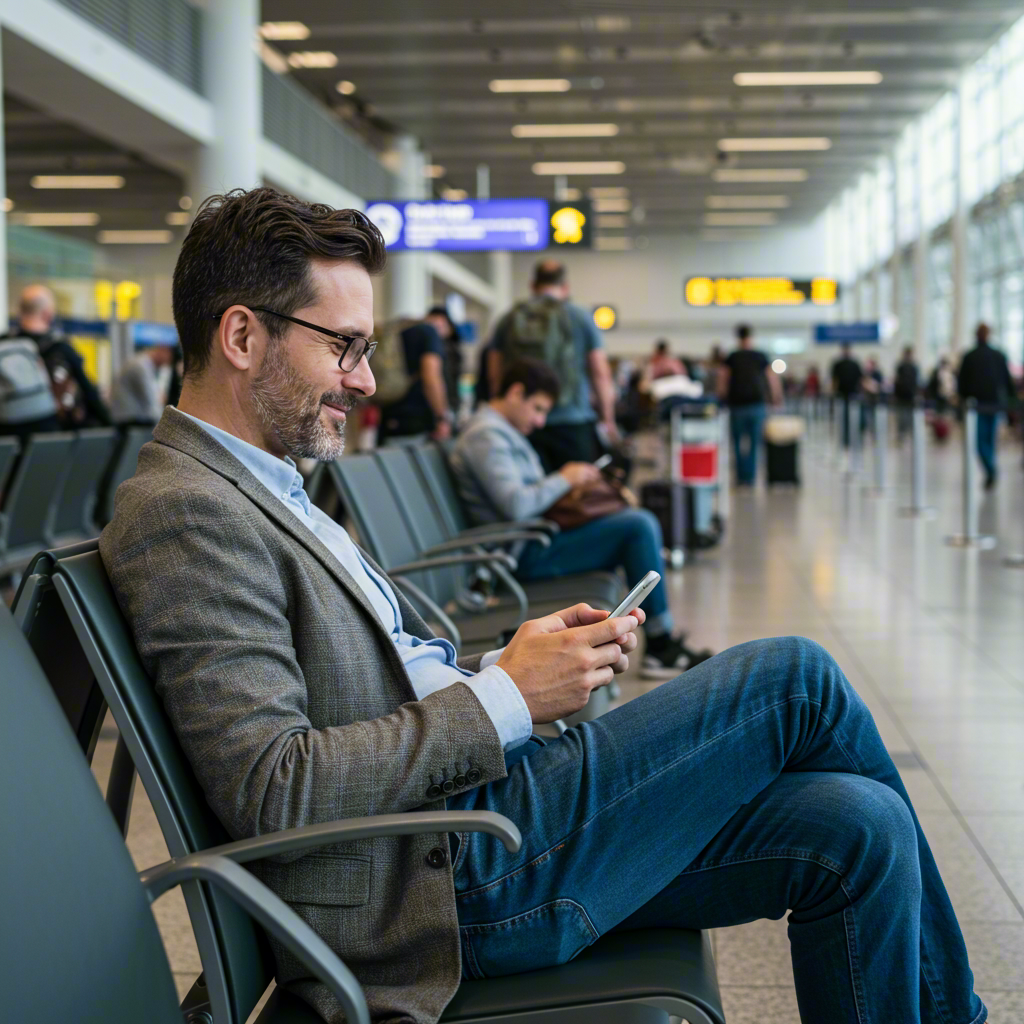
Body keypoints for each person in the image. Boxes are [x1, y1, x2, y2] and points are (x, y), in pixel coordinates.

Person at [100, 187, 986, 1024]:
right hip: (445, 873)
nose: (366, 381)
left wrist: (503, 667)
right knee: (796, 678)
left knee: (859, 828)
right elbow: (273, 787)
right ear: (243, 337)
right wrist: (506, 699)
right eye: (346, 347)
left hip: (472, 814)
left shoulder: (267, 483)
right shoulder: (186, 509)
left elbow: (367, 681)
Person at [451, 358, 711, 679]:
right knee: (638, 526)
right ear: (516, 392)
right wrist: (566, 478)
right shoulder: (486, 436)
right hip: (519, 555)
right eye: (537, 408)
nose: (540, 420)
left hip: (535, 538)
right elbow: (516, 504)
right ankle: (660, 644)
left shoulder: (501, 432)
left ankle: (659, 639)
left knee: (633, 523)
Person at [489, 260, 617, 470]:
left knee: (535, 489)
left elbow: (495, 375)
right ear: (565, 287)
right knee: (577, 494)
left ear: (532, 285)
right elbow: (600, 372)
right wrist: (607, 418)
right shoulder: (580, 317)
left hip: (521, 424)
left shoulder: (509, 318)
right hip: (572, 422)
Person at [3, 284, 111, 428]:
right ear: (48, 313)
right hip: (48, 426)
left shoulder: (4, 343)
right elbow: (88, 390)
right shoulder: (60, 347)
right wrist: (109, 424)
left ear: (20, 310)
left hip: (6, 426)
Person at [377, 307, 455, 444]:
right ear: (443, 322)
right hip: (415, 423)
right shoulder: (429, 332)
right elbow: (431, 376)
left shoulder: (403, 329)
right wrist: (442, 417)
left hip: (389, 415)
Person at [718, 324, 781, 486]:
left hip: (737, 405)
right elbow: (772, 378)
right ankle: (750, 477)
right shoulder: (760, 356)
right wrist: (776, 397)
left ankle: (741, 478)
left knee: (738, 442)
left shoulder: (732, 357)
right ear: (751, 337)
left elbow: (723, 379)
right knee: (754, 443)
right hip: (756, 404)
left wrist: (722, 398)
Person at [958, 322, 1015, 489]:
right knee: (988, 439)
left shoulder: (970, 356)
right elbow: (1007, 380)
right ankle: (991, 468)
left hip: (979, 405)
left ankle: (990, 469)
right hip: (993, 404)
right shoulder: (998, 355)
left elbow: (962, 384)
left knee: (981, 440)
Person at [109, 343, 176, 425]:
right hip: (129, 421)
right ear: (163, 350)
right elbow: (151, 401)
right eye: (169, 359)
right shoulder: (140, 366)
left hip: (131, 418)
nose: (166, 364)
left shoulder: (146, 365)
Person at [830, 343, 863, 448]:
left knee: (855, 419)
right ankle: (846, 440)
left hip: (853, 396)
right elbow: (834, 380)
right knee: (844, 419)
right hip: (841, 396)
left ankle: (854, 439)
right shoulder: (838, 364)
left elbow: (860, 379)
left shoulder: (855, 363)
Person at [893, 347, 919, 442]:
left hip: (910, 396)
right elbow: (897, 381)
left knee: (910, 417)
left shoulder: (913, 367)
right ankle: (902, 434)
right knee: (902, 417)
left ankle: (909, 433)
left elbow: (915, 382)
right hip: (902, 396)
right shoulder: (901, 367)